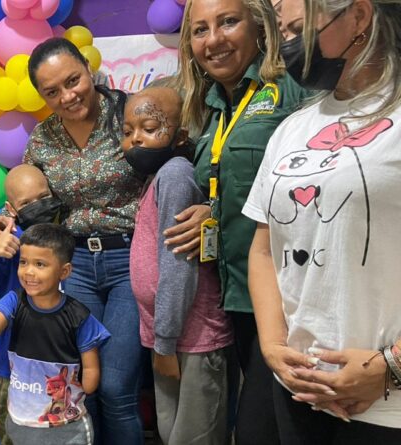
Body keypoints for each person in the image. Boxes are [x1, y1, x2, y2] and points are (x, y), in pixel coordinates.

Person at [244, 0, 401, 441]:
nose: (290, 48)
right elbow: (263, 246)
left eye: (300, 31)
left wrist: (390, 367)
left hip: (386, 406)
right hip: (298, 392)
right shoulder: (292, 127)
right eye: (285, 34)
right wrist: (274, 347)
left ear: (360, 15)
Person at [164, 0, 312, 441]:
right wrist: (211, 209)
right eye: (200, 29)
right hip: (236, 297)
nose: (214, 40)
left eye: (228, 22)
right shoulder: (208, 107)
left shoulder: (293, 87)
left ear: (259, 26)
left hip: (291, 299)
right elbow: (240, 185)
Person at [0, 36, 143, 445]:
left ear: (89, 70)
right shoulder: (42, 139)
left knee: (116, 389)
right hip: (72, 268)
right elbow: (25, 196)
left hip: (129, 259)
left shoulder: (128, 114)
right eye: (52, 91)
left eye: (73, 81)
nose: (67, 96)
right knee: (76, 388)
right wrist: (0, 222)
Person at [123, 87, 234, 445]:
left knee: (193, 436)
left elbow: (177, 265)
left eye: (150, 127)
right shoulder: (156, 178)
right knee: (172, 434)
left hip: (191, 340)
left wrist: (166, 343)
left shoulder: (174, 175)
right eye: (127, 131)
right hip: (169, 341)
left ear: (180, 135)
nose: (136, 138)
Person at [0, 223, 110, 445]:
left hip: (68, 429)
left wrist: (89, 384)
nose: (29, 271)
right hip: (20, 426)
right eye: (23, 262)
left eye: (40, 264)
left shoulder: (79, 315)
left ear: (64, 271)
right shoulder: (12, 301)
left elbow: (90, 362)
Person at [0, 164, 63, 444]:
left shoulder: (66, 238)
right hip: (11, 369)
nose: (37, 207)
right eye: (26, 203)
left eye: (43, 197)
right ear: (11, 208)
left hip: (59, 368)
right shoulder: (9, 242)